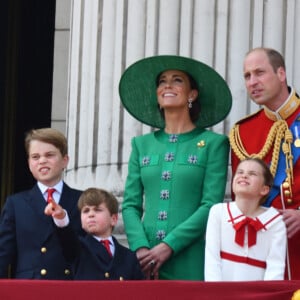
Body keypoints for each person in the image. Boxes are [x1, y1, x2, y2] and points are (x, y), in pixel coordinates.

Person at [119, 55, 232, 280]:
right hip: (145, 262)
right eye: (162, 81)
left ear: (192, 94)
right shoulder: (141, 145)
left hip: (191, 257)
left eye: (177, 80)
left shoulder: (214, 144)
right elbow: (130, 204)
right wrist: (140, 247)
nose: (167, 85)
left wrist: (169, 244)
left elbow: (210, 205)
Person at [229, 47, 300, 279]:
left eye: (259, 73)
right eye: (247, 76)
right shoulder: (243, 132)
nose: (252, 82)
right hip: (263, 251)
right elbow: (239, 198)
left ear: (281, 74)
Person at [0, 128, 84, 279]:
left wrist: (63, 221)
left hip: (67, 286)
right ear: (29, 163)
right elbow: (3, 253)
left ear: (65, 160)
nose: (42, 161)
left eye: (49, 155)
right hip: (28, 288)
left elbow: (86, 252)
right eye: (35, 157)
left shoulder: (82, 200)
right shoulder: (15, 203)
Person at [205, 158, 287, 281]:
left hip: (257, 294)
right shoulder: (218, 212)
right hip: (221, 292)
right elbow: (212, 259)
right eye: (240, 172)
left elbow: (275, 268)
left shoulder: (275, 222)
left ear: (264, 189)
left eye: (252, 174)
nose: (244, 176)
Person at [44, 187, 145, 280]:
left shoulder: (129, 256)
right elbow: (66, 236)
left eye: (97, 210)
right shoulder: (78, 248)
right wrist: (61, 217)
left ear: (113, 219)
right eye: (86, 211)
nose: (91, 214)